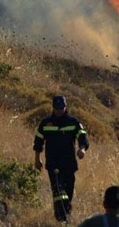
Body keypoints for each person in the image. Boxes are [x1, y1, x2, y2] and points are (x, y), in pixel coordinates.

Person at [34, 95, 90, 223]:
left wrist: (82, 149)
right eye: (56, 108)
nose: (59, 111)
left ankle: (65, 214)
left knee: (68, 192)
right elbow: (38, 142)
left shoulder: (73, 122)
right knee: (58, 190)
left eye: (61, 108)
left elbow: (83, 137)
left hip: (69, 164)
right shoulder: (45, 123)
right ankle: (62, 218)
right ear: (53, 107)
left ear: (65, 107)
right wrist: (37, 159)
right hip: (53, 163)